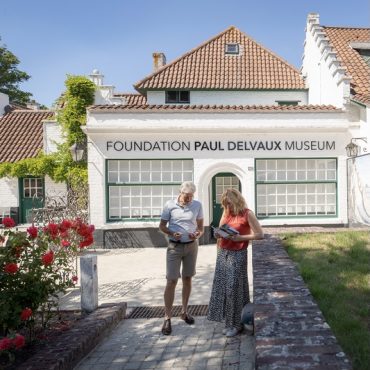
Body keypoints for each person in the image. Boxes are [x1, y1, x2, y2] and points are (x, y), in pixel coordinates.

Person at [207, 188, 264, 337]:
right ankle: (231, 322)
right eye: (225, 204)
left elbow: (260, 234)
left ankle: (236, 324)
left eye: (230, 204)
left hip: (238, 254)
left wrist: (241, 238)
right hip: (223, 253)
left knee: (233, 288)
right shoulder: (226, 213)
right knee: (224, 289)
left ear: (237, 201)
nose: (228, 207)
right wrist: (217, 233)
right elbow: (220, 230)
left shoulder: (247, 213)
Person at [159, 181, 204, 335]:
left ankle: (184, 312)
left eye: (191, 196)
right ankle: (167, 317)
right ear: (180, 193)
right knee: (171, 280)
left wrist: (197, 234)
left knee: (187, 279)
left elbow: (201, 228)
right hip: (174, 247)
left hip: (192, 246)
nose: (189, 199)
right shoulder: (169, 205)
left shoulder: (197, 205)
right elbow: (162, 226)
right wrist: (172, 233)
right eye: (186, 196)